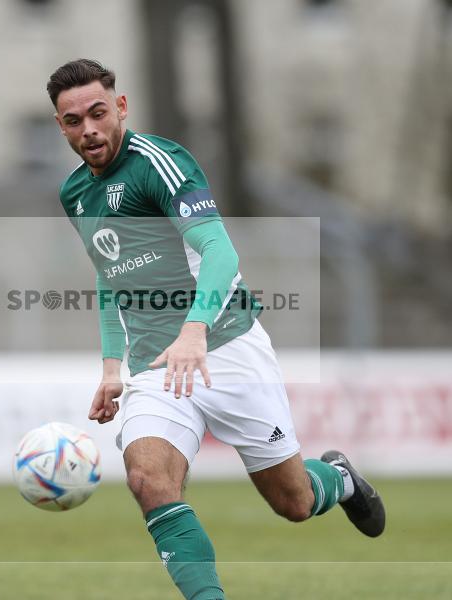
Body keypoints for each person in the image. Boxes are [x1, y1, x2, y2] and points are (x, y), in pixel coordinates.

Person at [48, 59, 385, 599]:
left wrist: (195, 329)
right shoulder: (75, 194)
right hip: (156, 369)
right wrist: (113, 366)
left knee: (293, 502)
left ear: (121, 108)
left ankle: (339, 479)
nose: (88, 129)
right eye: (72, 121)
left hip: (226, 346)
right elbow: (109, 276)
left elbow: (220, 250)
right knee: (147, 479)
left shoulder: (159, 164)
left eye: (97, 113)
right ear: (60, 126)